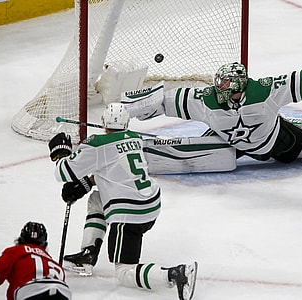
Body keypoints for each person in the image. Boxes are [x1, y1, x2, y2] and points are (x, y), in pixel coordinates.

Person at [48, 103, 198, 300]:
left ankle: (176, 274)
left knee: (124, 272)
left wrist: (61, 153)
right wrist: (87, 183)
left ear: (103, 121)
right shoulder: (135, 139)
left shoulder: (96, 144)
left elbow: (63, 172)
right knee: (97, 198)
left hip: (130, 214)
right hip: (151, 202)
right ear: (126, 122)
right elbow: (115, 169)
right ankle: (88, 253)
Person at [121, 62, 302, 166]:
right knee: (199, 155)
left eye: (226, 85)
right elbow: (164, 100)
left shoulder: (265, 91)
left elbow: (301, 80)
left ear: (239, 85)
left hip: (275, 141)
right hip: (229, 142)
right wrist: (125, 110)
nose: (220, 89)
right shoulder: (206, 101)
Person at [0, 222, 71, 300]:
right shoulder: (55, 264)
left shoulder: (17, 252)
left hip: (31, 294)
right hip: (63, 293)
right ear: (44, 245)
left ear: (20, 240)